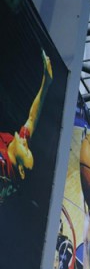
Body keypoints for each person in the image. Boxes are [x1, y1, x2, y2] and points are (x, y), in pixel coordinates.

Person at [0, 49, 53, 203]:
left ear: (21, 170)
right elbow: (32, 118)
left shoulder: (3, 170)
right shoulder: (13, 146)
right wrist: (46, 82)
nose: (26, 143)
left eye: (27, 151)